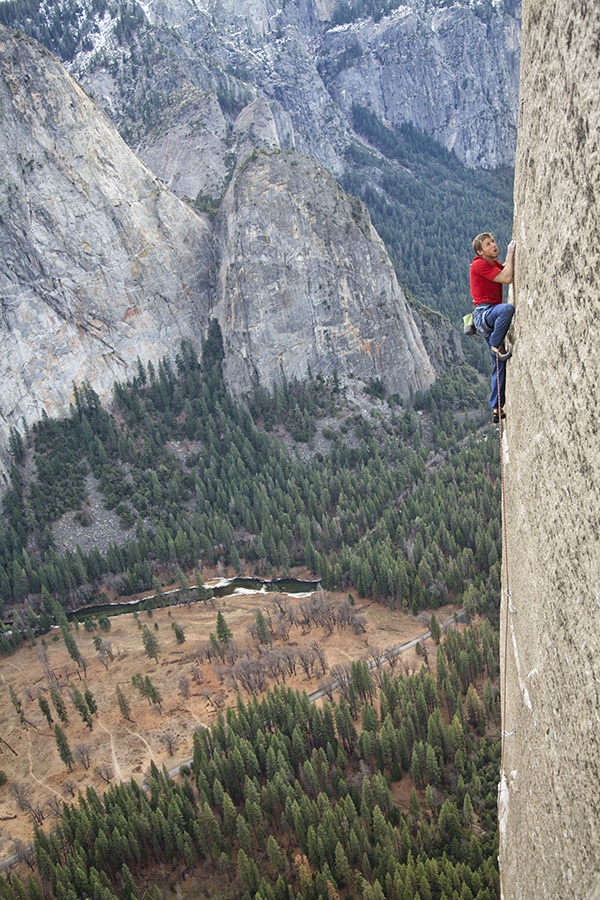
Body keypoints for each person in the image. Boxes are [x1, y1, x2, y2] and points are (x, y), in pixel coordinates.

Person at [470, 233, 516, 423]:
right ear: (480, 252)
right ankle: (496, 344)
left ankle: (497, 407)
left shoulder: (491, 263)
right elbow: (507, 278)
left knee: (499, 364)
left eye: (493, 242)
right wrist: (510, 253)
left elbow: (504, 270)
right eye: (488, 245)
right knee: (507, 309)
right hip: (484, 314)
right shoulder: (479, 264)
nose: (494, 246)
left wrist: (507, 262)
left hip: (488, 315)